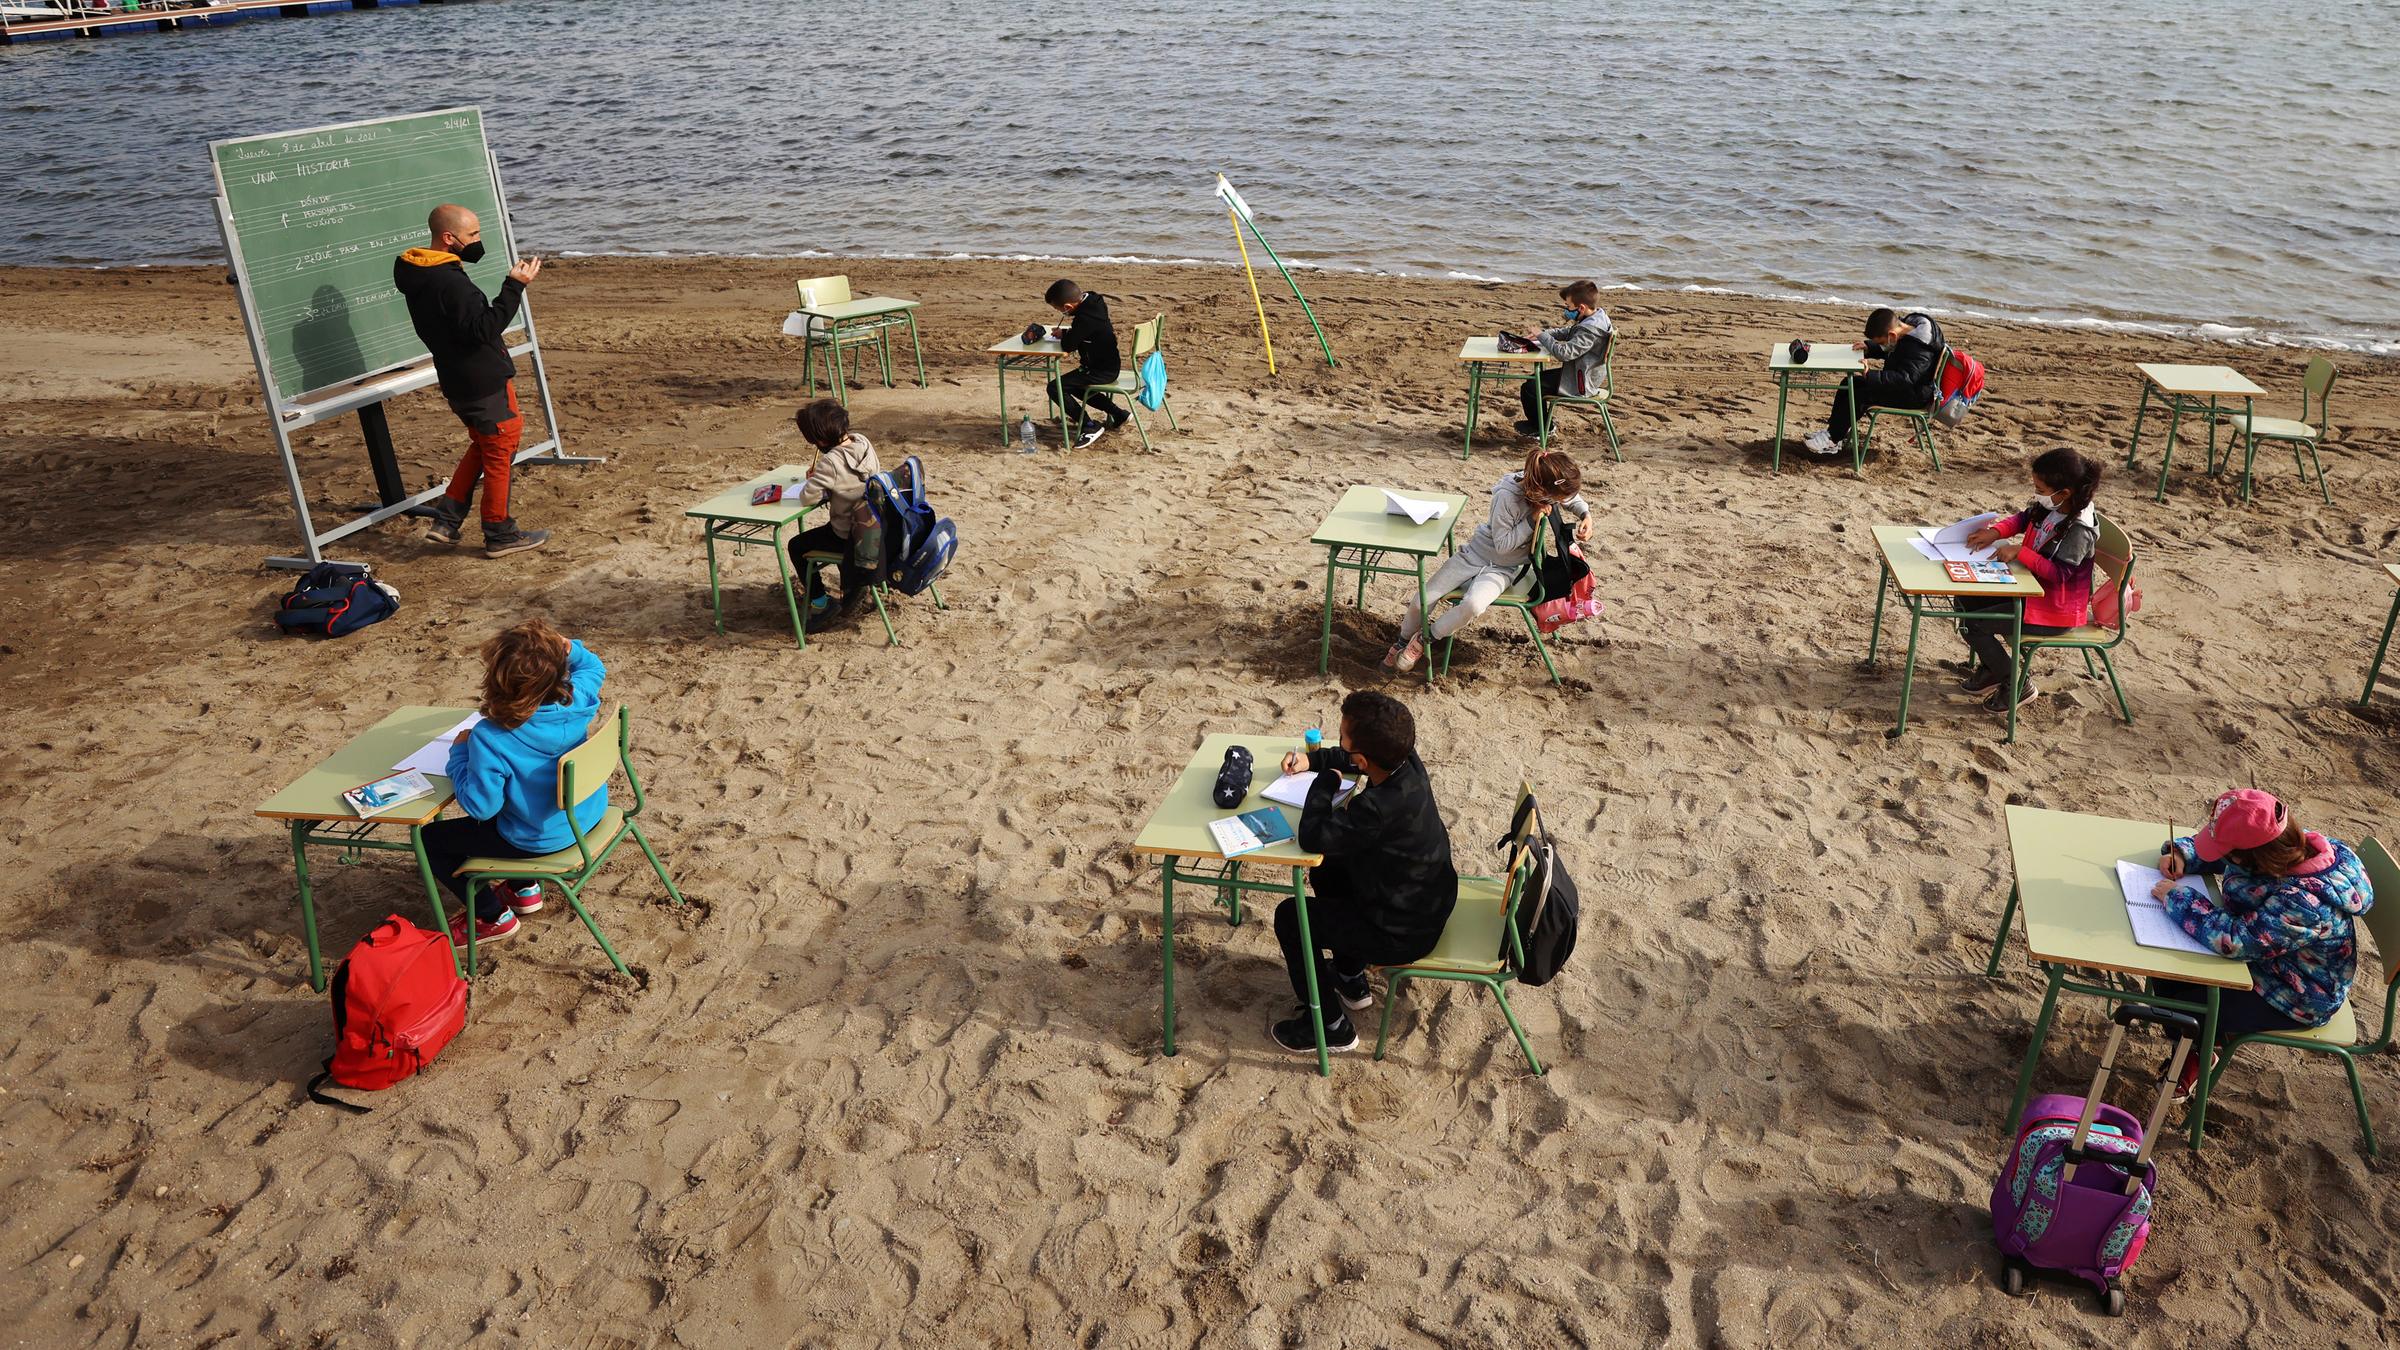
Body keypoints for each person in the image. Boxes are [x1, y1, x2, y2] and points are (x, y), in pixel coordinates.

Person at [2149, 789, 2375, 1098]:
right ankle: (2194, 1046)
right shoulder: (2288, 847)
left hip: (2297, 994)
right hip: (2268, 961)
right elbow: (2222, 855)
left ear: (2249, 858)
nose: (2224, 857)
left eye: (2229, 853)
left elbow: (2234, 941)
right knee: (2165, 974)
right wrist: (2184, 855)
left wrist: (2179, 899)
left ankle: (2200, 1051)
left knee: (2186, 1008)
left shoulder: (2304, 905)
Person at [1267, 691, 1457, 1054]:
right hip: (1422, 900)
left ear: (1363, 759)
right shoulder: (1406, 762)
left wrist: (1324, 784)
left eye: (1342, 740)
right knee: (1330, 869)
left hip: (1403, 931)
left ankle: (1329, 1025)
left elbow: (1311, 836)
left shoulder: (1378, 808)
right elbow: (1353, 759)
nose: (1338, 745)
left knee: (1290, 916)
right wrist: (1314, 760)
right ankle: (1350, 977)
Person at [419, 619, 610, 946]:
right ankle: (523, 888)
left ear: (496, 682)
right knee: (517, 802)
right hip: (586, 816)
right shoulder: (578, 700)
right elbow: (593, 664)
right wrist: (568, 647)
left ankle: (492, 916)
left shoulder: (491, 737)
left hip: (538, 839)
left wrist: (460, 756)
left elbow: (481, 806)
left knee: (430, 839)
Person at [396, 203, 549, 557]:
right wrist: (515, 285)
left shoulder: (417, 270)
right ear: (449, 238)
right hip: (482, 380)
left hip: (455, 378)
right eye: (473, 235)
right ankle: (500, 532)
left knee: (484, 444)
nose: (478, 241)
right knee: (500, 447)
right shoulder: (451, 283)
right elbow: (485, 328)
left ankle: (447, 521)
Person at [1384, 447, 1592, 673]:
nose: (1561, 502)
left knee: (1473, 605)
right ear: (1541, 490)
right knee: (1421, 600)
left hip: (1505, 569)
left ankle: (1425, 639)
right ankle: (1403, 641)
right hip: (1474, 555)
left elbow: (1568, 495)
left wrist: (1585, 514)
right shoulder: (1507, 497)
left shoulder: (1543, 482)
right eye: (1557, 498)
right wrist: (1531, 521)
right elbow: (1503, 545)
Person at [1951, 447, 2105, 713]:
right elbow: (2024, 518)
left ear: (2064, 492)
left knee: (1973, 624)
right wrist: (1995, 531)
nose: (2037, 495)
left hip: (2053, 611)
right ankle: (1992, 669)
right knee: (1965, 599)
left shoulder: (2079, 528)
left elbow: (2060, 574)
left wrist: (2021, 552)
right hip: (2027, 590)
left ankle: (2016, 683)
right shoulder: (2054, 506)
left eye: (2041, 490)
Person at [779, 398, 883, 633]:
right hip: (874, 526)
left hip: (848, 534)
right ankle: (854, 585)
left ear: (821, 440)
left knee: (797, 546)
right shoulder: (863, 443)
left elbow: (807, 498)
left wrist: (813, 479)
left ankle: (820, 602)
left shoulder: (830, 462)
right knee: (821, 536)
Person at [1802, 306, 1945, 457]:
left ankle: (1832, 440)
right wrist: (1869, 347)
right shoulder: (1906, 329)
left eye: (1881, 342)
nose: (1882, 345)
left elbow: (1906, 378)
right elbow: (1890, 348)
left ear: (1892, 335)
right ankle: (1834, 432)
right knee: (1849, 383)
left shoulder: (1920, 348)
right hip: (1902, 385)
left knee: (1860, 394)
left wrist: (1870, 375)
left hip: (1914, 394)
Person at [1512, 280, 1614, 437]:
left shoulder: (1590, 332)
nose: (1566, 310)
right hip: (1581, 373)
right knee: (1534, 380)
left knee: (1531, 388)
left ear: (1581, 308)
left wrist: (1543, 336)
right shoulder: (1596, 317)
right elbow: (1570, 331)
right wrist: (1546, 334)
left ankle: (1541, 429)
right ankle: (1544, 424)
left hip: (1581, 383)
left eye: (1568, 306)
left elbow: (1563, 353)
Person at [1042, 279, 1123, 448]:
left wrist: (1066, 335)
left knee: (1055, 387)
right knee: (1073, 385)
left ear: (1068, 307)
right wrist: (1067, 332)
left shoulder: (1085, 318)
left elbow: (1069, 346)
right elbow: (1085, 333)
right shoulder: (1093, 303)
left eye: (1058, 309)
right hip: (1107, 365)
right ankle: (1119, 413)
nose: (1060, 313)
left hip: (1101, 370)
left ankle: (1089, 426)